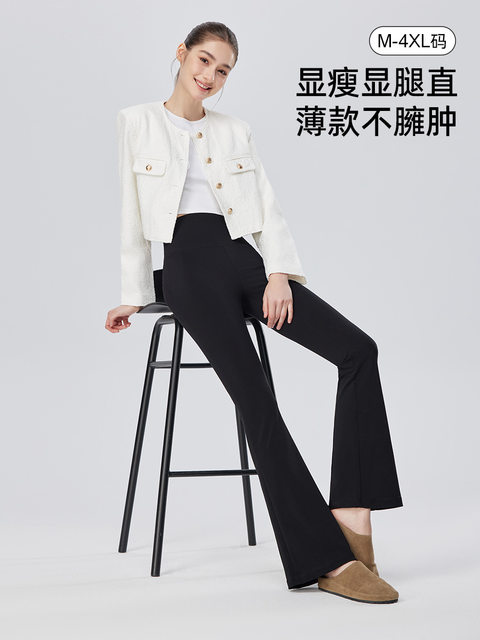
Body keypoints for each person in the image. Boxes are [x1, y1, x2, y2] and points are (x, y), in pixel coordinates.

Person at [105, 21, 404, 603]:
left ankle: (351, 514)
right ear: (182, 54)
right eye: (204, 60)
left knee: (357, 351)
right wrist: (135, 293)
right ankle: (325, 560)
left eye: (223, 70)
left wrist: (278, 273)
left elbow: (266, 204)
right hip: (187, 268)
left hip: (246, 260)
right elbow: (130, 214)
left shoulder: (234, 129)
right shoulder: (136, 121)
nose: (210, 76)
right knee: (259, 403)